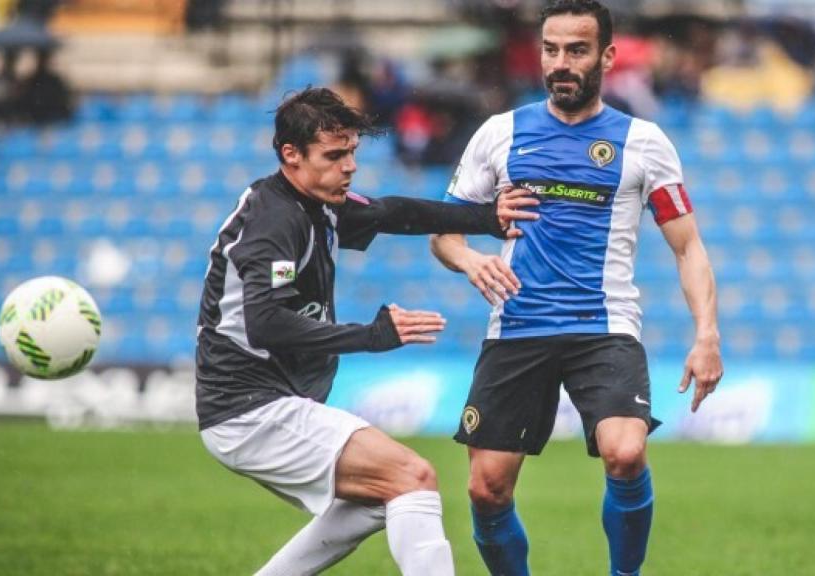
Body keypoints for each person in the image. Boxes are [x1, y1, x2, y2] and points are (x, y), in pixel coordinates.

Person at [430, 2, 724, 575]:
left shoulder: (643, 142)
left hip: (604, 326)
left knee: (626, 450)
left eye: (577, 50)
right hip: (518, 325)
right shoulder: (500, 133)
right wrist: (469, 259)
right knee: (486, 490)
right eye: (551, 49)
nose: (561, 63)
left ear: (607, 56)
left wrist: (706, 334)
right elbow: (444, 233)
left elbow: (688, 246)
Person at [196, 87, 538, 576]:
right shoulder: (274, 223)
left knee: (384, 498)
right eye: (334, 156)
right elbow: (267, 323)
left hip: (264, 403)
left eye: (351, 152)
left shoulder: (317, 202)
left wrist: (485, 217)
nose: (349, 166)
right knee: (412, 476)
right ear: (290, 156)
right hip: (248, 406)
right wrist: (372, 335)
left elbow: (391, 212)